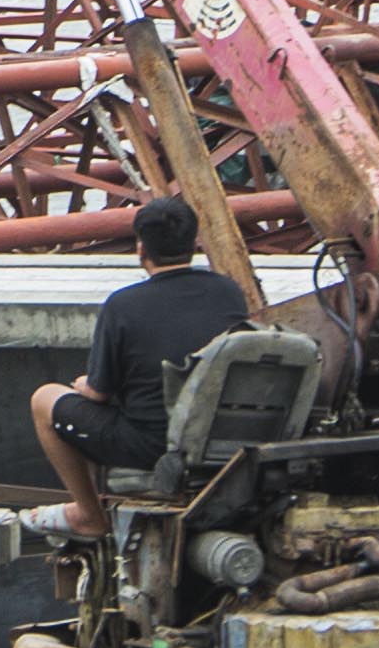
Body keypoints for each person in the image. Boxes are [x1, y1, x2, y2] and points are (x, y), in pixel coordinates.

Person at [27, 192, 252, 544]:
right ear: (194, 244)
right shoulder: (229, 293)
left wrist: (85, 386)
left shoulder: (122, 305)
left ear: (141, 249)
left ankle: (89, 514)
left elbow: (100, 393)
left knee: (45, 399)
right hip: (220, 434)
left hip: (153, 445)